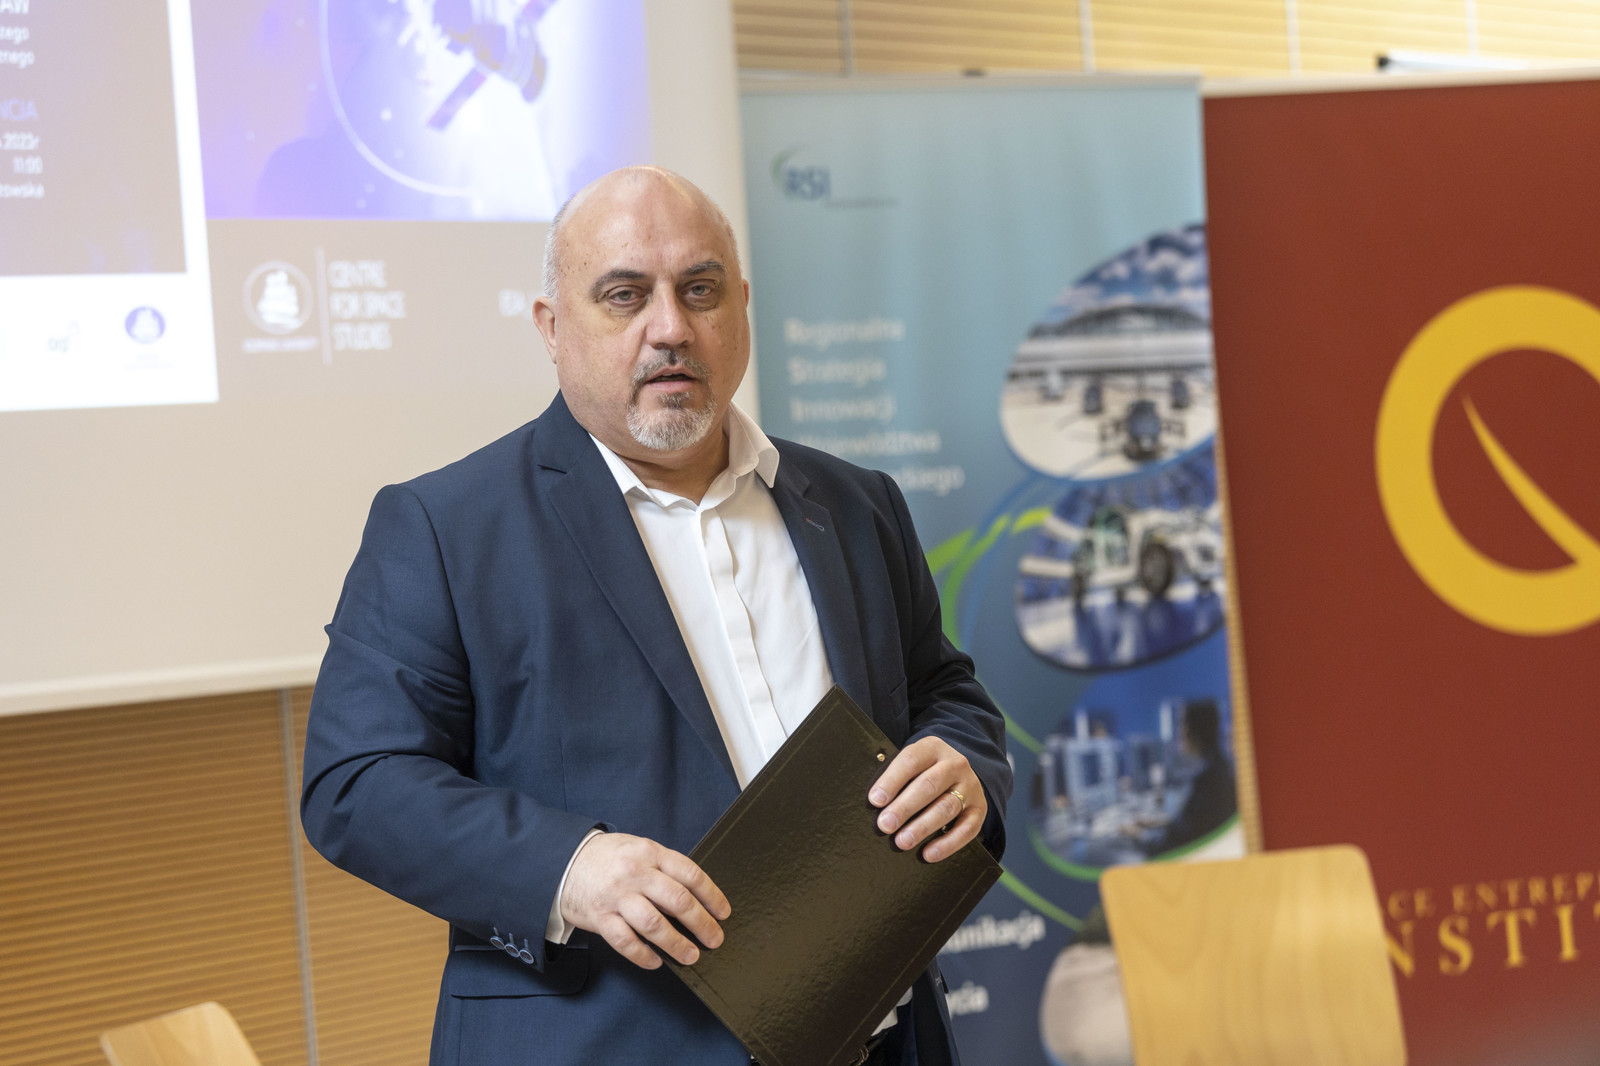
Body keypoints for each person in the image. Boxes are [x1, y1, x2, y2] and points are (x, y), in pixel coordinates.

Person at [300, 165, 1012, 1066]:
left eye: (700, 290)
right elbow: (357, 783)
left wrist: (965, 761)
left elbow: (944, 690)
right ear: (551, 327)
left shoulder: (856, 503)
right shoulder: (447, 527)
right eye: (625, 295)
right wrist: (569, 868)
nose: (671, 327)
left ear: (742, 307)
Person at [1139, 699, 1236, 855]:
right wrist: (1160, 823)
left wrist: (1140, 836)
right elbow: (1194, 823)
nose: (1180, 731)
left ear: (1194, 728)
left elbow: (1181, 842)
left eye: (1183, 723)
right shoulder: (1217, 767)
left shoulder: (1207, 780)